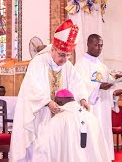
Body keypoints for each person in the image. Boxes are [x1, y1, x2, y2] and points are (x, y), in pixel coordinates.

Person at [10, 19, 109, 162]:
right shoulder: (38, 62)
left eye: (68, 55)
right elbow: (33, 87)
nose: (65, 59)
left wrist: (82, 99)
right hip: (40, 114)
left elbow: (77, 83)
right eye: (62, 54)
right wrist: (47, 102)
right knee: (39, 147)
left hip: (59, 117)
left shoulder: (67, 65)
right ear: (52, 50)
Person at [75, 34, 121, 160]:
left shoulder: (103, 67)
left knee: (103, 134)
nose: (99, 48)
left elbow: (107, 88)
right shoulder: (79, 65)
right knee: (91, 137)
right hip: (90, 109)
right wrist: (98, 87)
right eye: (96, 45)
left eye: (101, 45)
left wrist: (113, 94)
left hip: (103, 109)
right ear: (88, 44)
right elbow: (78, 86)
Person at [33, 89, 111, 162]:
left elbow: (42, 148)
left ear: (59, 103)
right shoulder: (92, 117)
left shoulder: (56, 121)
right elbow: (102, 148)